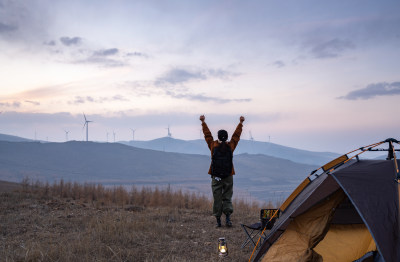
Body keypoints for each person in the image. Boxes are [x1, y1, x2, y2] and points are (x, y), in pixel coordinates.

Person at [200, 115, 244, 227]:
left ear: (218, 137)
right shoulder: (231, 146)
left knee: (217, 198)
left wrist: (203, 122)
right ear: (226, 137)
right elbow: (236, 136)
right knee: (227, 197)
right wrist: (240, 123)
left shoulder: (213, 145)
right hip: (229, 175)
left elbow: (207, 135)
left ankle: (218, 221)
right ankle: (228, 219)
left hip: (215, 176)